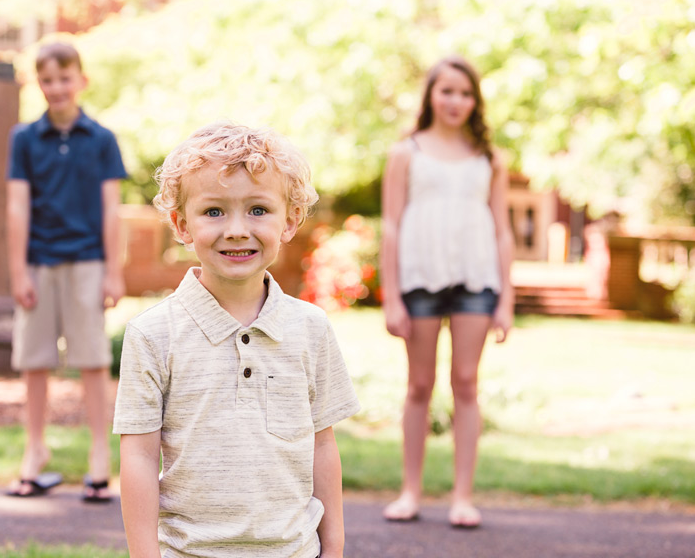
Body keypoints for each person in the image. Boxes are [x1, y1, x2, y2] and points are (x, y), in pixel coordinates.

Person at [113, 123, 361, 557]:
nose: (236, 229)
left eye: (258, 210)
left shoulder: (311, 328)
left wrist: (334, 547)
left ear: (290, 220)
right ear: (181, 224)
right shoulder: (152, 334)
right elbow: (138, 459)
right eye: (213, 212)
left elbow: (323, 445)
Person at [380, 56, 514, 528]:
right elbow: (391, 226)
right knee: (418, 385)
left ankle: (462, 496)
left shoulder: (490, 158)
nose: (456, 101)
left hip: (477, 282)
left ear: (475, 100)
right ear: (430, 96)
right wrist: (391, 295)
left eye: (465, 93)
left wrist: (507, 298)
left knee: (466, 383)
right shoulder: (405, 153)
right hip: (419, 280)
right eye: (447, 91)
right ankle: (410, 492)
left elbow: (502, 230)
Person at [5, 41, 127, 502]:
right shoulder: (23, 139)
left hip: (87, 262)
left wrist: (115, 271)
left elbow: (111, 208)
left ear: (81, 80)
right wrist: (18, 271)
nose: (57, 88)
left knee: (92, 360)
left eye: (64, 78)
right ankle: (35, 452)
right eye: (48, 80)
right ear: (39, 84)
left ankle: (100, 457)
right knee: (34, 361)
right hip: (39, 262)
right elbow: (17, 207)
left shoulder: (101, 139)